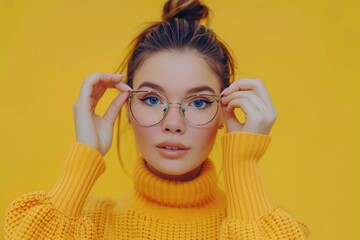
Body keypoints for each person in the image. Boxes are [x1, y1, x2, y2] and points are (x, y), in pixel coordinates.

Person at [4, 0, 309, 239]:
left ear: (224, 111)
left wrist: (243, 163)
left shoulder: (265, 226)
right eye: (152, 99)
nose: (173, 123)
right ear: (126, 105)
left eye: (200, 101)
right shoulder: (87, 222)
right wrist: (86, 154)